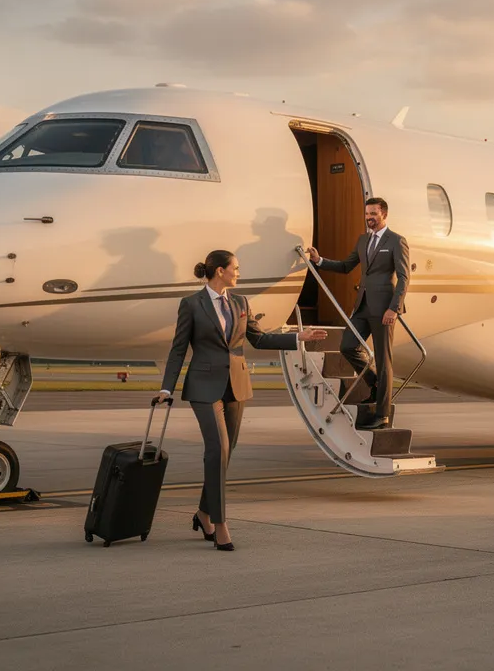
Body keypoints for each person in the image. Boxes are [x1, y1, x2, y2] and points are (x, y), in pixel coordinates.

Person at [154, 250, 326, 551]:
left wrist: (298, 337)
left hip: (236, 384)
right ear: (220, 271)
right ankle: (220, 524)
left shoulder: (240, 302)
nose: (239, 272)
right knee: (217, 448)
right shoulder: (191, 304)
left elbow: (259, 339)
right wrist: (166, 389)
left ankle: (203, 513)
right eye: (236, 268)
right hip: (203, 386)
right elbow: (178, 349)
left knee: (226, 451)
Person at [305, 197, 410, 429]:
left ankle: (382, 415)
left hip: (384, 309)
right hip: (362, 305)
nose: (369, 218)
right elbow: (345, 266)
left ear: (384, 214)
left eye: (373, 214)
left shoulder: (396, 241)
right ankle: (374, 383)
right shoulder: (363, 240)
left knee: (384, 361)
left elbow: (404, 278)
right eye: (366, 214)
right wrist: (319, 260)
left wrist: (394, 308)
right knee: (347, 346)